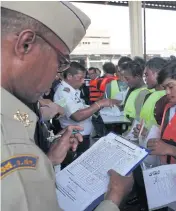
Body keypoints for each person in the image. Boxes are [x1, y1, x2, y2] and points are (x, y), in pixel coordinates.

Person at [1, 2, 133, 210]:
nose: (57, 74)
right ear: (25, 44)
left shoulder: (12, 121)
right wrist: (114, 198)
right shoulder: (8, 141)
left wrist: (48, 160)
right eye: (60, 61)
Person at [54, 62, 118, 167]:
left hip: (81, 137)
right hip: (74, 139)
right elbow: (77, 116)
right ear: (69, 76)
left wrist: (99, 104)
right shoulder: (63, 92)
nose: (83, 81)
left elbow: (82, 108)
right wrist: (99, 104)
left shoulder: (72, 91)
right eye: (80, 78)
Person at [133, 57, 168, 137]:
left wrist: (146, 133)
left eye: (147, 75)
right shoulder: (149, 95)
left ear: (158, 73)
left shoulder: (168, 98)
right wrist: (140, 130)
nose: (145, 79)